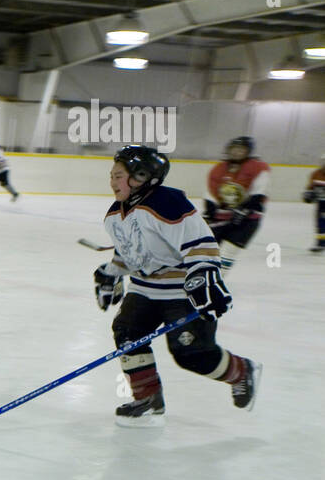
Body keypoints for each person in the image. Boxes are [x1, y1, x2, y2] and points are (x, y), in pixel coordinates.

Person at [93, 145, 260, 427]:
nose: (112, 181)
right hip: (144, 289)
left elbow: (200, 242)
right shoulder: (114, 214)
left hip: (181, 292)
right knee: (127, 335)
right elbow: (130, 253)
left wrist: (204, 276)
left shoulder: (167, 202)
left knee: (192, 354)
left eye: (118, 175)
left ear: (143, 176)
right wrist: (112, 272)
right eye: (112, 175)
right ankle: (147, 398)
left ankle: (241, 371)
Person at [203, 135, 270, 268]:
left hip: (247, 219)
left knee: (227, 253)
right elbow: (210, 193)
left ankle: (216, 282)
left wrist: (245, 209)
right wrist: (209, 212)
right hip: (221, 218)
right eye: (234, 149)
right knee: (206, 252)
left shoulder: (258, 168)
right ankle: (201, 280)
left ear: (248, 152)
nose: (236, 152)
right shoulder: (218, 168)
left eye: (241, 150)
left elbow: (259, 192)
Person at [303, 154, 325, 253]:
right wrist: (308, 194)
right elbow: (310, 187)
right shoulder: (316, 174)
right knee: (320, 223)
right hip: (321, 203)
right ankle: (320, 243)